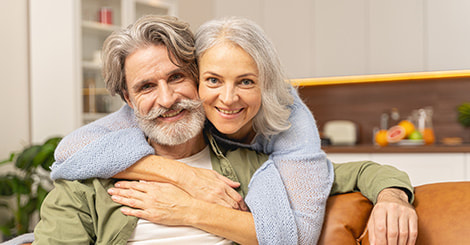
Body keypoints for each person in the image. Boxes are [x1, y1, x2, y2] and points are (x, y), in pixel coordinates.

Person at [31, 15, 416, 244]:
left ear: (197, 80)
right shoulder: (87, 184)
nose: (166, 99)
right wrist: (178, 176)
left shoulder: (256, 165)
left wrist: (394, 197)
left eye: (176, 77)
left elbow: (357, 173)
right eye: (146, 87)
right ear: (128, 102)